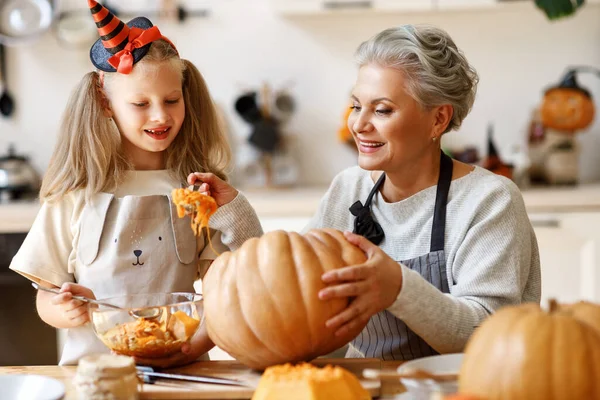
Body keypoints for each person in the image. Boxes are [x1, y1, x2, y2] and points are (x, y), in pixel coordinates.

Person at [9, 0, 262, 367]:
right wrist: (64, 308)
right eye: (140, 103)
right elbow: (46, 297)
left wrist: (199, 343)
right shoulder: (76, 193)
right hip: (96, 376)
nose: (160, 115)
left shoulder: (196, 191)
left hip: (182, 373)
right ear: (106, 102)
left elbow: (233, 283)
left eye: (171, 100)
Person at [310, 24, 541, 360]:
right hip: (367, 389)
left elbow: (490, 334)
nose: (358, 125)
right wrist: (234, 214)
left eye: (382, 109)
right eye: (357, 106)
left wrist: (398, 288)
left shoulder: (490, 201)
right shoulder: (349, 187)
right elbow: (291, 282)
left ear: (438, 120)